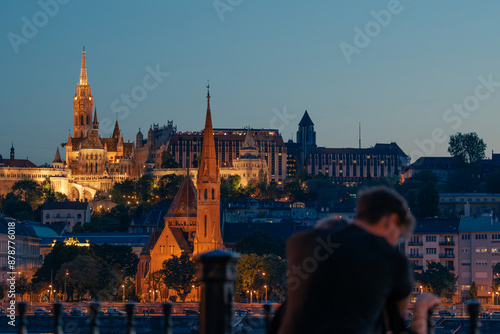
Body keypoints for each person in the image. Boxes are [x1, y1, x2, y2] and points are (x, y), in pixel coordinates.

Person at [274, 186, 438, 334]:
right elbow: (397, 325)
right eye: (398, 236)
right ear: (391, 220)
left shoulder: (301, 242)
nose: (394, 243)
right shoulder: (391, 257)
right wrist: (422, 307)